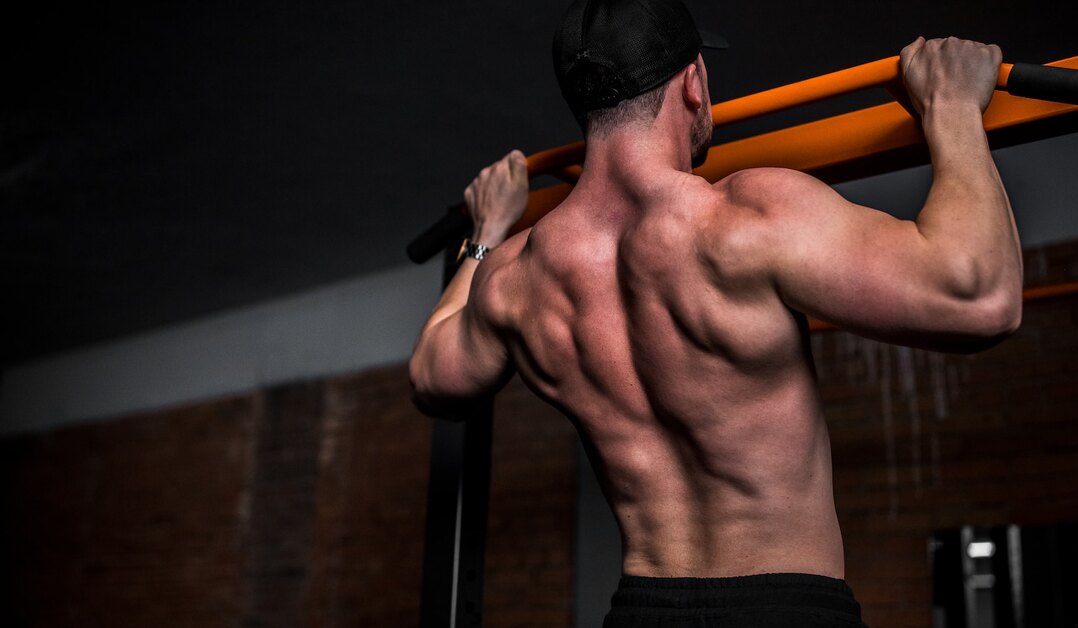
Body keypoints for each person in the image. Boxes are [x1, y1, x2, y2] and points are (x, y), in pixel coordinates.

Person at [409, 0, 1023, 625]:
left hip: (641, 613)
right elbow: (981, 298)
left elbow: (432, 378)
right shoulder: (745, 218)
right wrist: (951, 107)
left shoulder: (515, 276)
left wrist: (486, 233)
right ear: (694, 82)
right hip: (786, 611)